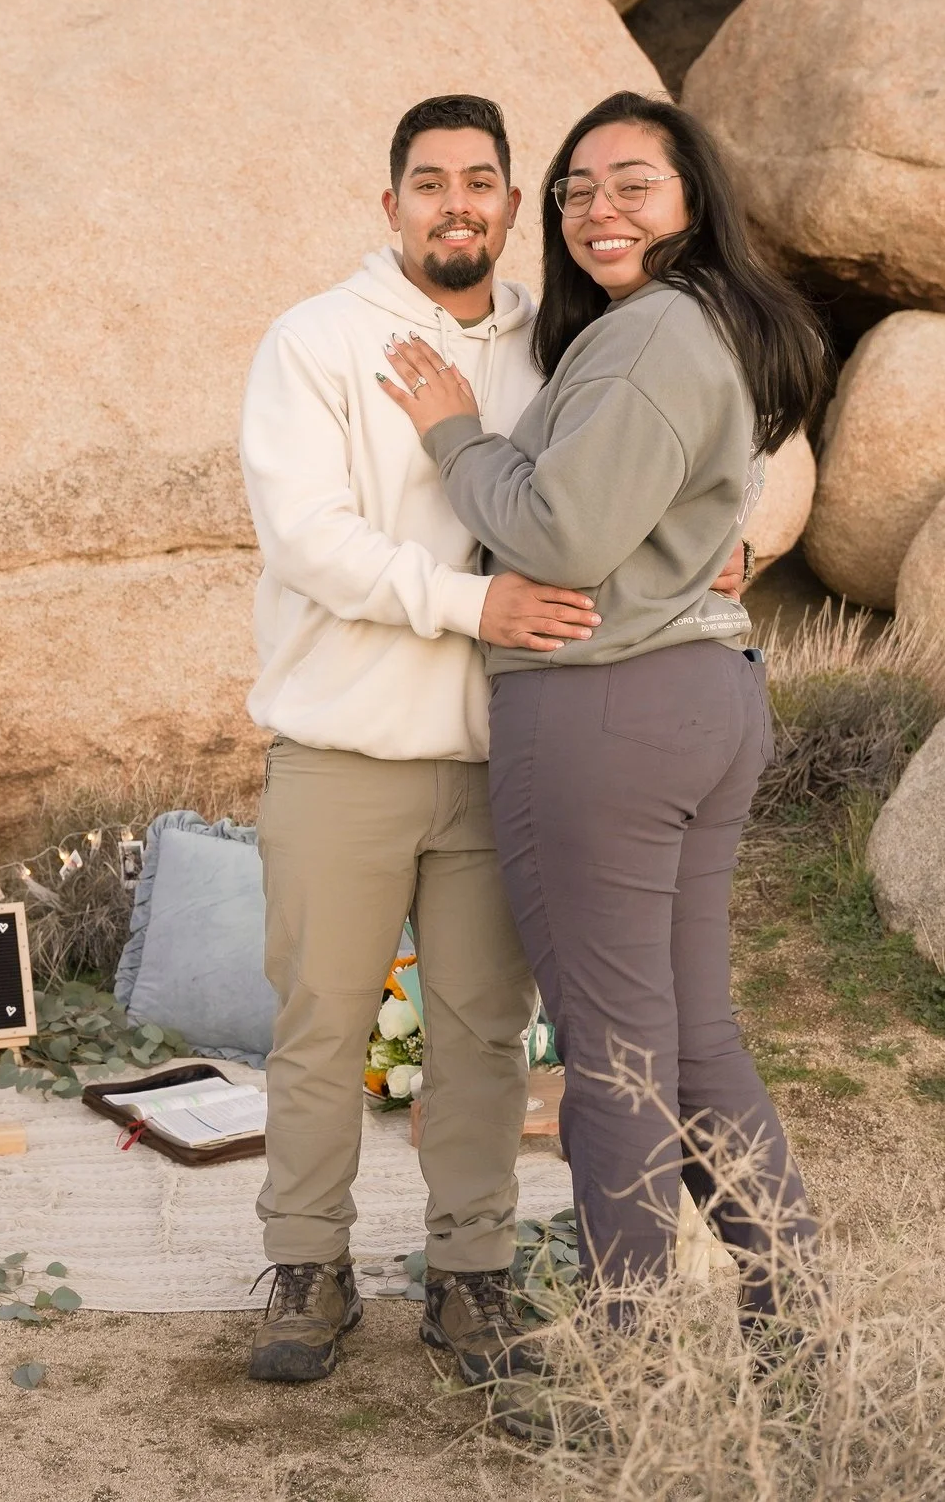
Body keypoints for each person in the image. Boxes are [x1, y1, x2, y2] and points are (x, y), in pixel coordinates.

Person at [377, 91, 834, 1321]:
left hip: (605, 713)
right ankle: (792, 1315)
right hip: (703, 698)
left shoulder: (647, 335)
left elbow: (563, 534)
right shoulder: (700, 330)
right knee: (691, 1040)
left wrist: (457, 437)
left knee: (618, 1059)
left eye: (632, 182)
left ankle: (623, 1350)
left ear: (694, 199)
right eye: (576, 190)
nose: (597, 209)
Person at [235, 94, 598, 1387]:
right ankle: (307, 1268)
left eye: (481, 181)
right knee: (322, 1024)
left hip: (503, 758)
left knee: (484, 1034)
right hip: (343, 752)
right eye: (430, 181)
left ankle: (470, 1278)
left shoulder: (553, 353)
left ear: (510, 205)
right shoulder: (315, 342)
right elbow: (312, 542)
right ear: (387, 203)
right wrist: (474, 601)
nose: (457, 202)